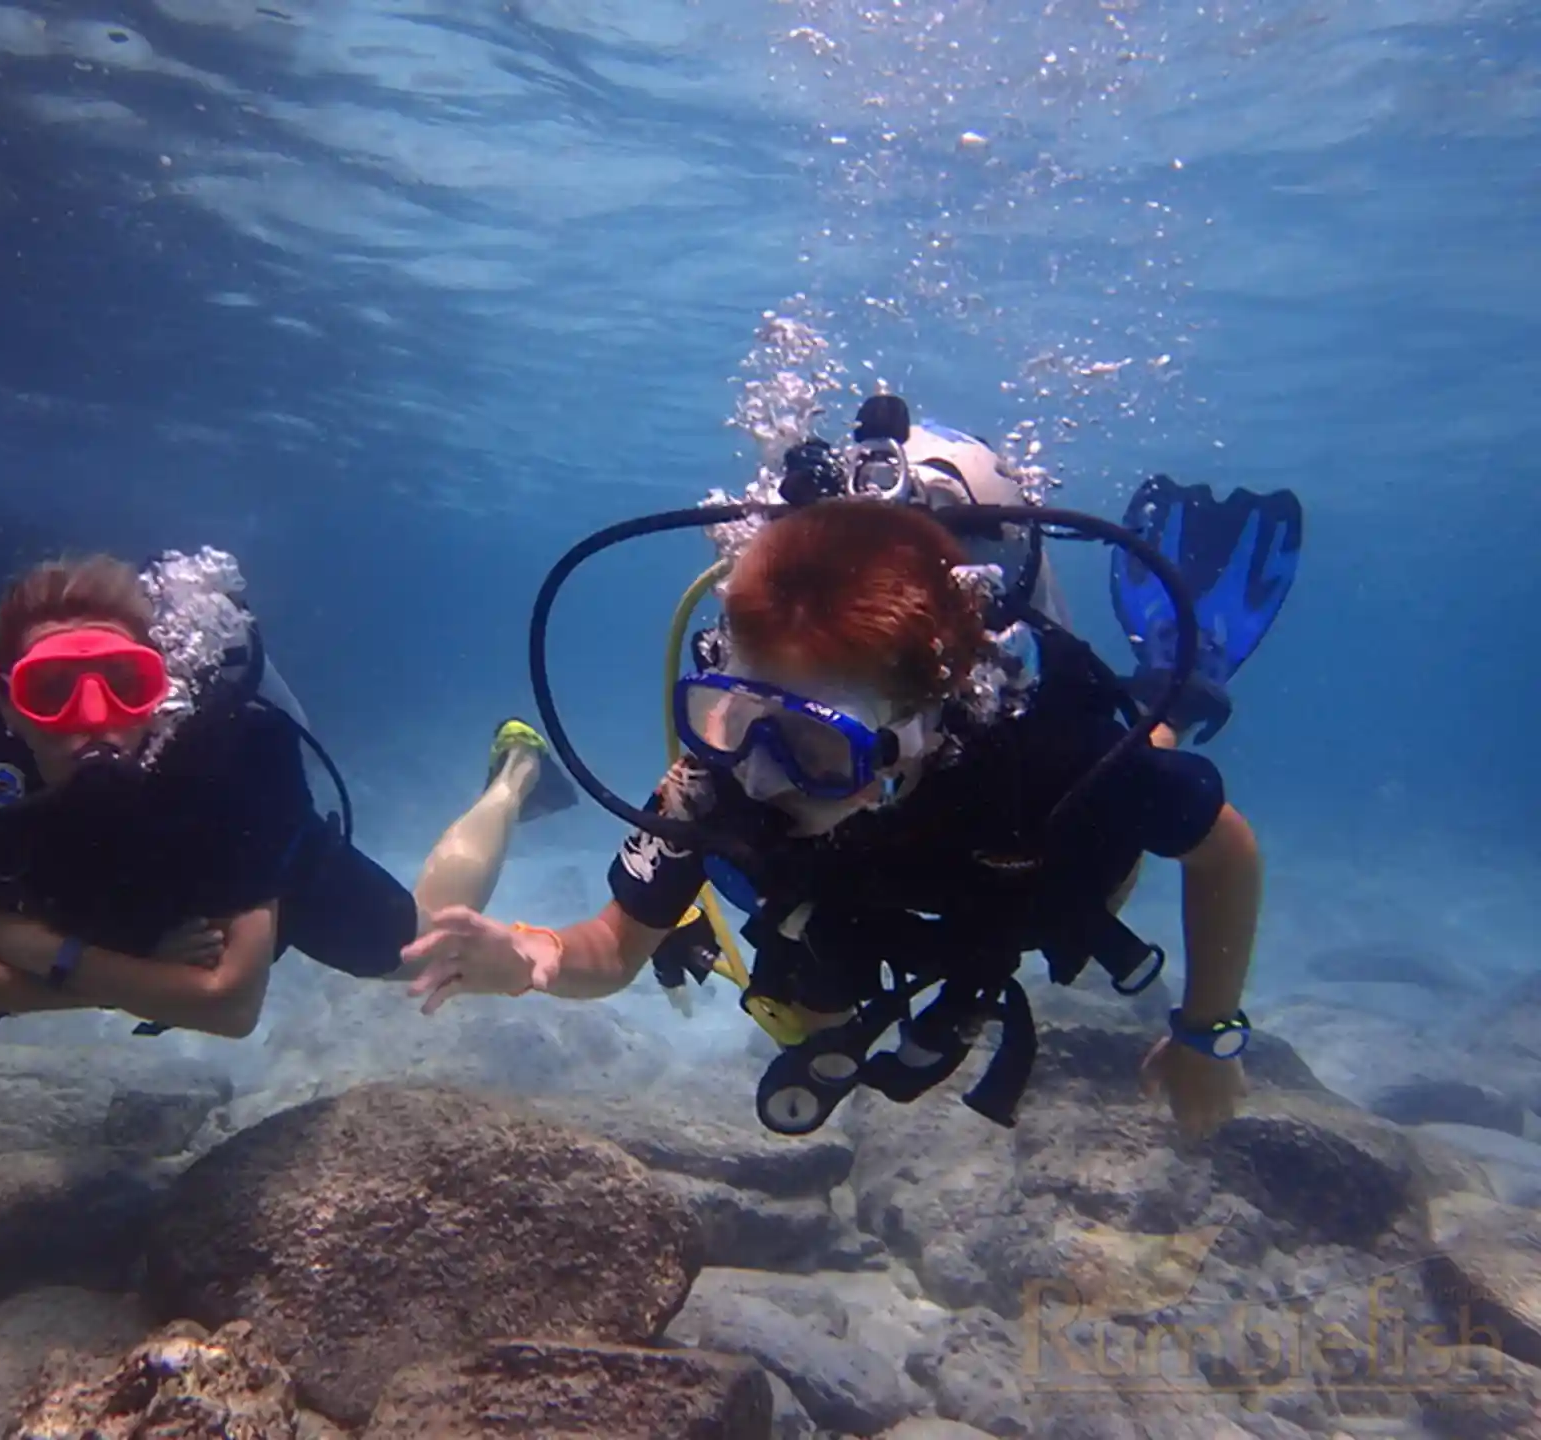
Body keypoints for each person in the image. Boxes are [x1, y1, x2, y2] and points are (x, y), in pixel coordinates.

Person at [399, 390, 1302, 1143]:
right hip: (871, 890)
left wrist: (1208, 1032)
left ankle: (1186, 683)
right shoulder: (719, 774)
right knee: (807, 977)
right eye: (744, 711)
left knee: (1128, 784)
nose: (758, 776)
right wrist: (529, 955)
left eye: (813, 746)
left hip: (1016, 850)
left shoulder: (1044, 754)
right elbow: (605, 948)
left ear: (918, 730)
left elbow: (1225, 853)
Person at [0, 550, 575, 1042]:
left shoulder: (238, 754)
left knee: (432, 947)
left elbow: (229, 1009)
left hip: (248, 867)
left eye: (125, 682)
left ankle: (516, 776)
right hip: (114, 913)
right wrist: (147, 971)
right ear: (7, 703)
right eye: (51, 690)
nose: (94, 714)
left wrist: (54, 959)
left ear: (164, 689)